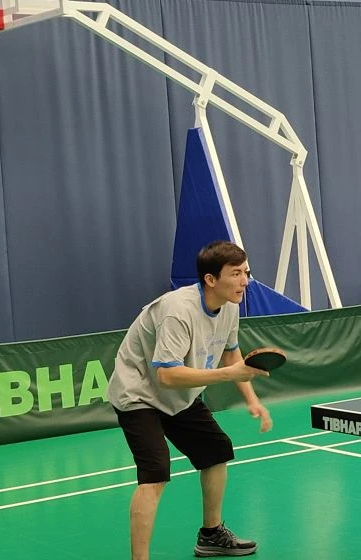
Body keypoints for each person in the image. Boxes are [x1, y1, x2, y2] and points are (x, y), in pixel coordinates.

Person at [107, 240, 273, 559]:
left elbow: (231, 354)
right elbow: (167, 376)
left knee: (216, 451)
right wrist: (230, 374)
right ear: (210, 279)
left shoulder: (230, 306)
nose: (245, 281)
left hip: (180, 395)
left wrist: (252, 400)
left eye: (246, 272)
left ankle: (211, 535)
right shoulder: (177, 311)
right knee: (155, 473)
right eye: (236, 274)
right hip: (139, 394)